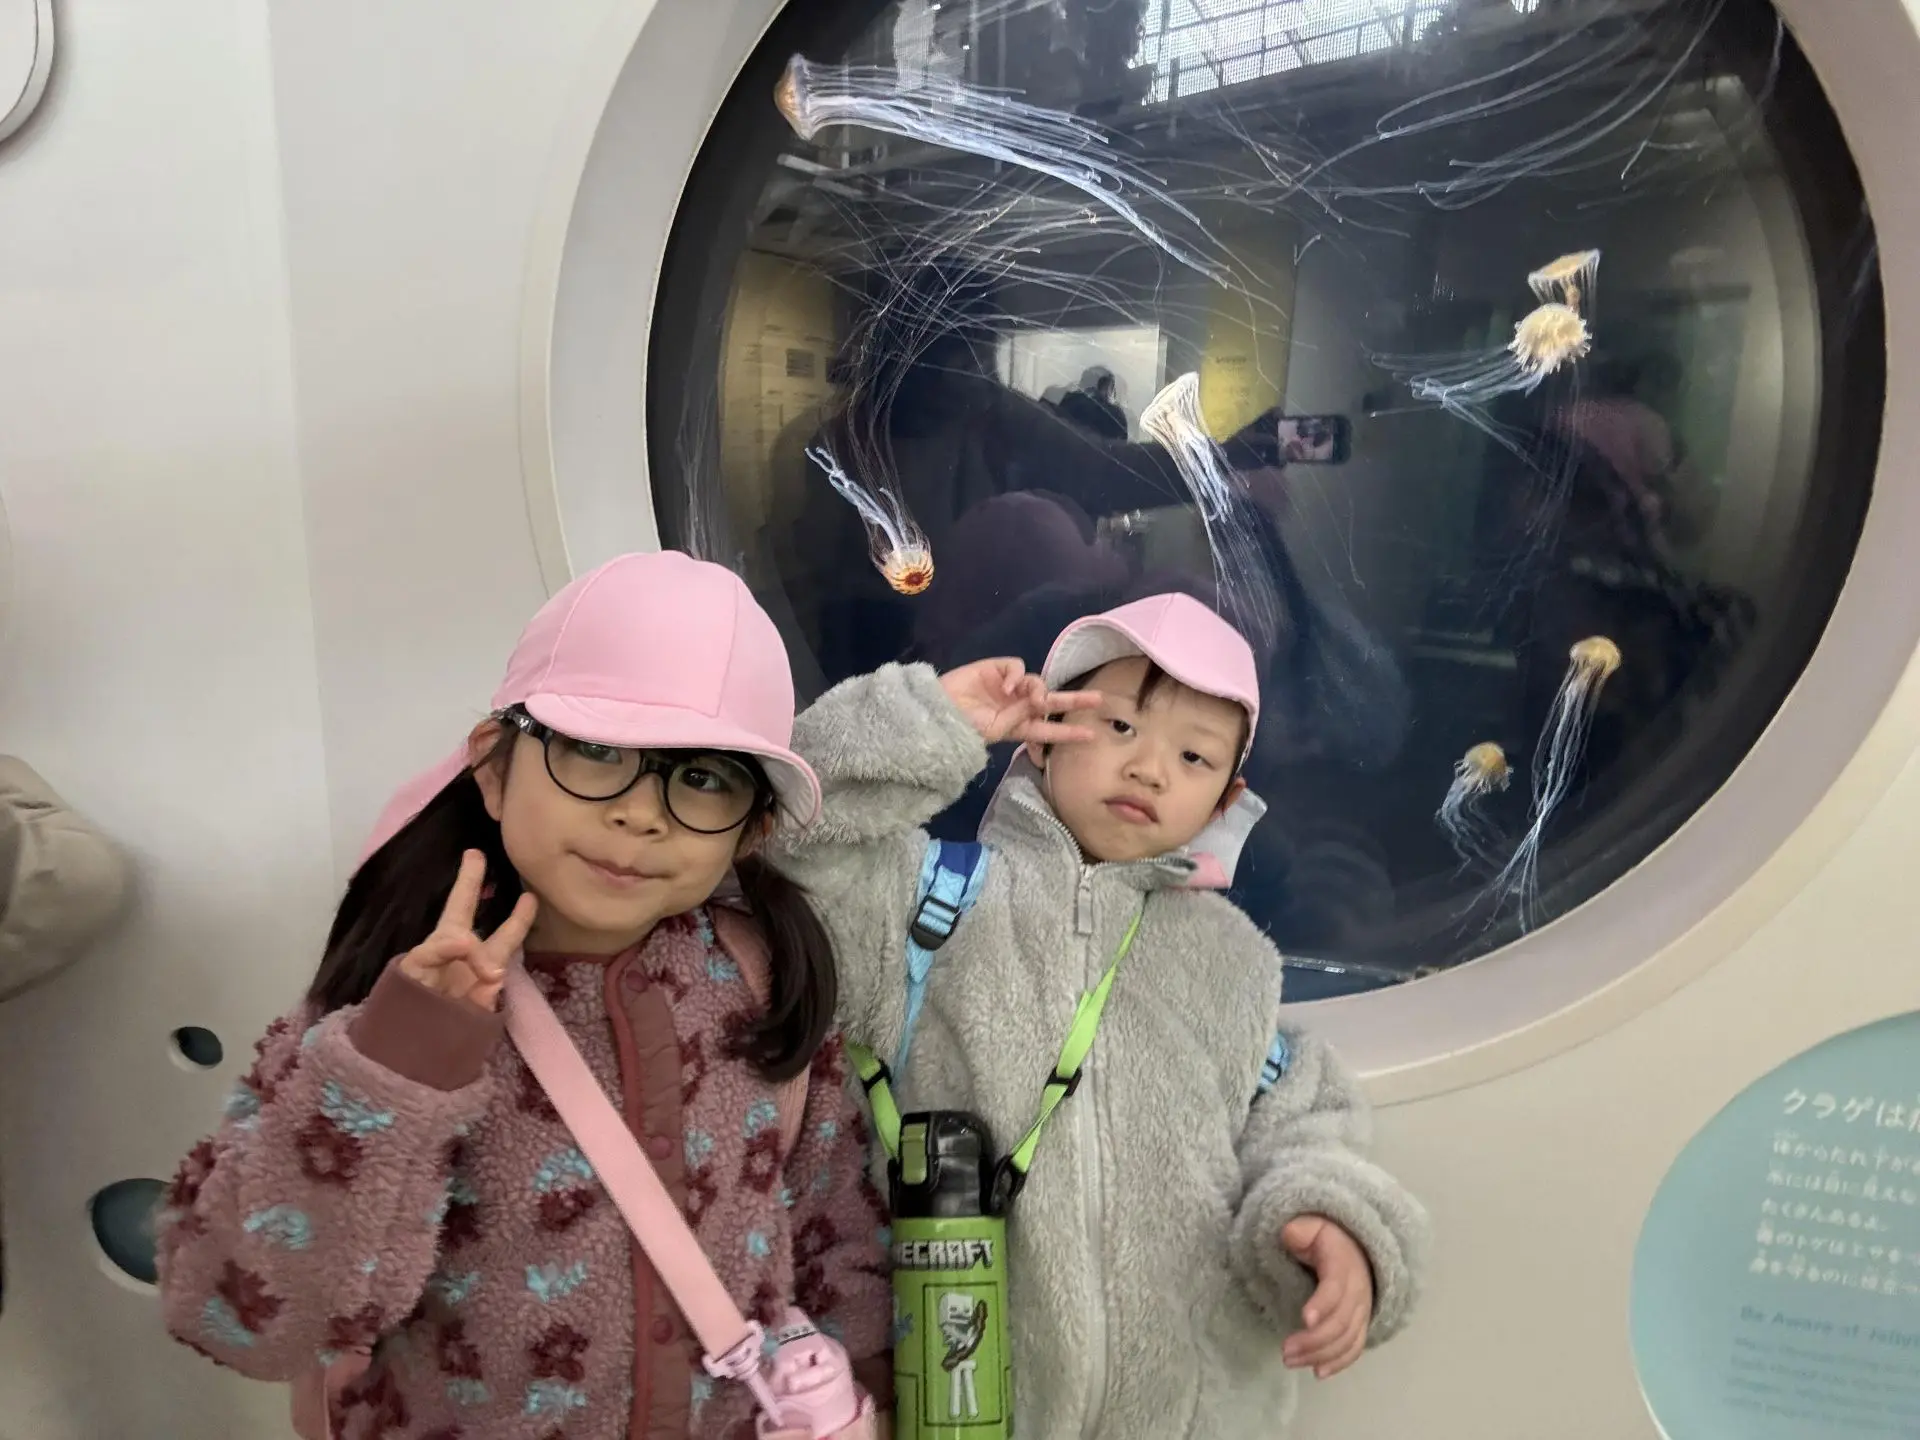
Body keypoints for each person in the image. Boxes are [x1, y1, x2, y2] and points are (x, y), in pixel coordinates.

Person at [155, 552, 892, 1440]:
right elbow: (241, 1319)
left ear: (750, 831)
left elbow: (833, 1230)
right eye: (595, 750)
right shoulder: (383, 1007)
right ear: (494, 768)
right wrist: (400, 1067)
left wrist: (871, 1394)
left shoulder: (760, 981)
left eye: (702, 777)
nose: (640, 812)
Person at [774, 592, 1429, 1439]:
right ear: (1045, 736)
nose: (1150, 769)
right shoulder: (927, 902)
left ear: (1224, 801)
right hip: (962, 1403)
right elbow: (783, 832)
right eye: (1119, 727)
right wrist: (933, 722)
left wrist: (1329, 1220)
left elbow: (1305, 1116)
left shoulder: (1232, 962)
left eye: (1193, 756)